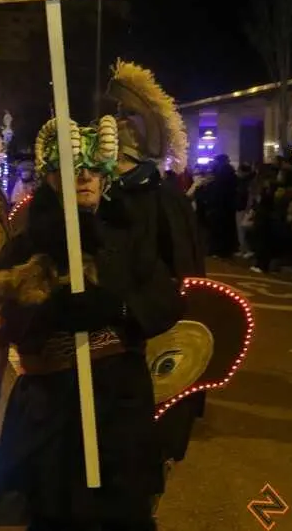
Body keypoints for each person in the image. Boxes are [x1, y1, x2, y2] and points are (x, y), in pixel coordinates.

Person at [0, 115, 182, 531]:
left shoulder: (128, 237)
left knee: (120, 513)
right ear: (52, 178)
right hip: (50, 407)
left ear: (107, 177)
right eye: (73, 169)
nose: (85, 176)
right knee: (54, 512)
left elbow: (165, 300)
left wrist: (118, 309)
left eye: (94, 169)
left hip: (118, 406)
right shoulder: (27, 241)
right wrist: (45, 312)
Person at [99, 60, 206, 504]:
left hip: (143, 348)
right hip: (93, 351)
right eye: (116, 115)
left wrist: (132, 315)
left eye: (131, 116)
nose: (121, 124)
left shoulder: (165, 199)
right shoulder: (90, 192)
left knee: (138, 471)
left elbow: (181, 282)